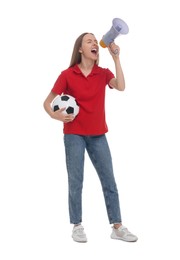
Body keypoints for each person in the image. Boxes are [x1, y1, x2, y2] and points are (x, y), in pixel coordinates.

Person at [43, 32, 138, 243]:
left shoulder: (102, 73)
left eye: (95, 41)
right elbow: (47, 103)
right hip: (74, 134)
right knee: (76, 181)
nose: (95, 43)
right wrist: (55, 115)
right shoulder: (67, 75)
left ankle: (117, 226)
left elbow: (121, 86)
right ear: (80, 49)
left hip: (98, 135)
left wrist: (116, 58)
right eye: (89, 41)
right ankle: (77, 225)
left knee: (109, 180)